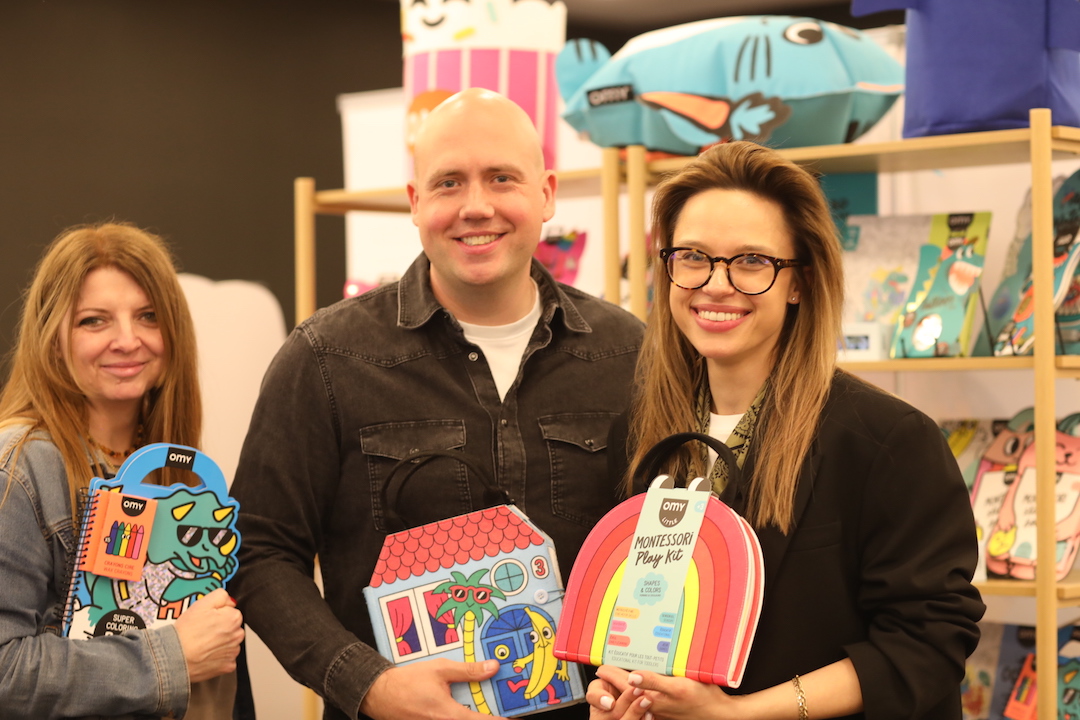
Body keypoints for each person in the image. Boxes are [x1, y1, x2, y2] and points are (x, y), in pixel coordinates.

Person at [229, 87, 645, 720]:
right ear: (415, 202)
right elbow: (258, 552)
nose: (476, 206)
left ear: (546, 194)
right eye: (449, 183)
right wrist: (367, 683)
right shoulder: (325, 358)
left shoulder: (630, 354)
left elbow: (664, 547)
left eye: (501, 178)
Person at [595, 141, 985, 720]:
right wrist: (620, 698)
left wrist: (738, 714)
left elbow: (927, 643)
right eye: (694, 256)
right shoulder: (637, 435)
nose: (716, 284)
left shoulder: (888, 441)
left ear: (799, 282)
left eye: (752, 261)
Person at [0, 222, 246, 719]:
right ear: (52, 339)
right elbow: (5, 670)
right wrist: (170, 657)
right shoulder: (20, 467)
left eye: (148, 316)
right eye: (94, 321)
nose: (128, 340)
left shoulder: (172, 467)